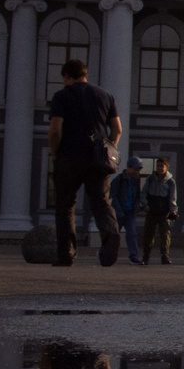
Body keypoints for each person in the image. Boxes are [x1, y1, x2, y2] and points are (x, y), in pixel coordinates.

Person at [45, 57, 122, 268]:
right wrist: (108, 149)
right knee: (101, 202)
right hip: (97, 159)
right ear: (85, 75)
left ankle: (66, 254)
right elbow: (117, 130)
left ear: (66, 76)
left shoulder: (61, 96)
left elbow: (55, 130)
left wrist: (55, 153)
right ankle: (111, 234)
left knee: (65, 206)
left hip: (69, 157)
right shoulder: (106, 96)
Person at [142, 156, 179, 265]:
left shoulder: (170, 182)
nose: (159, 168)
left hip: (164, 212)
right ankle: (146, 255)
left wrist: (173, 210)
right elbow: (143, 193)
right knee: (148, 233)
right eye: (158, 166)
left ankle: (165, 255)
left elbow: (172, 198)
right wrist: (145, 204)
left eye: (161, 166)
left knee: (165, 234)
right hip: (151, 210)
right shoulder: (150, 179)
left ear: (167, 167)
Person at [113, 159, 146, 266]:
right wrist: (118, 210)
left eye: (138, 170)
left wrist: (136, 206)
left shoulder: (135, 180)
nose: (137, 172)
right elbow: (114, 196)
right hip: (119, 212)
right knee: (113, 235)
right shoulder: (119, 180)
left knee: (132, 234)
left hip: (130, 212)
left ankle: (134, 256)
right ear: (129, 168)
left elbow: (136, 195)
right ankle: (106, 253)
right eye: (135, 169)